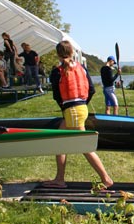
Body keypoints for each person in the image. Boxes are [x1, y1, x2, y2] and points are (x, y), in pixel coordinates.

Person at [42, 40, 113, 190]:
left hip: (72, 110)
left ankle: (106, 179)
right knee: (59, 142)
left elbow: (57, 95)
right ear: (72, 52)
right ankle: (59, 179)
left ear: (58, 54)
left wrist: (68, 108)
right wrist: (80, 106)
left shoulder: (57, 71)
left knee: (84, 146)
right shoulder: (82, 68)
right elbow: (91, 90)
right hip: (80, 108)